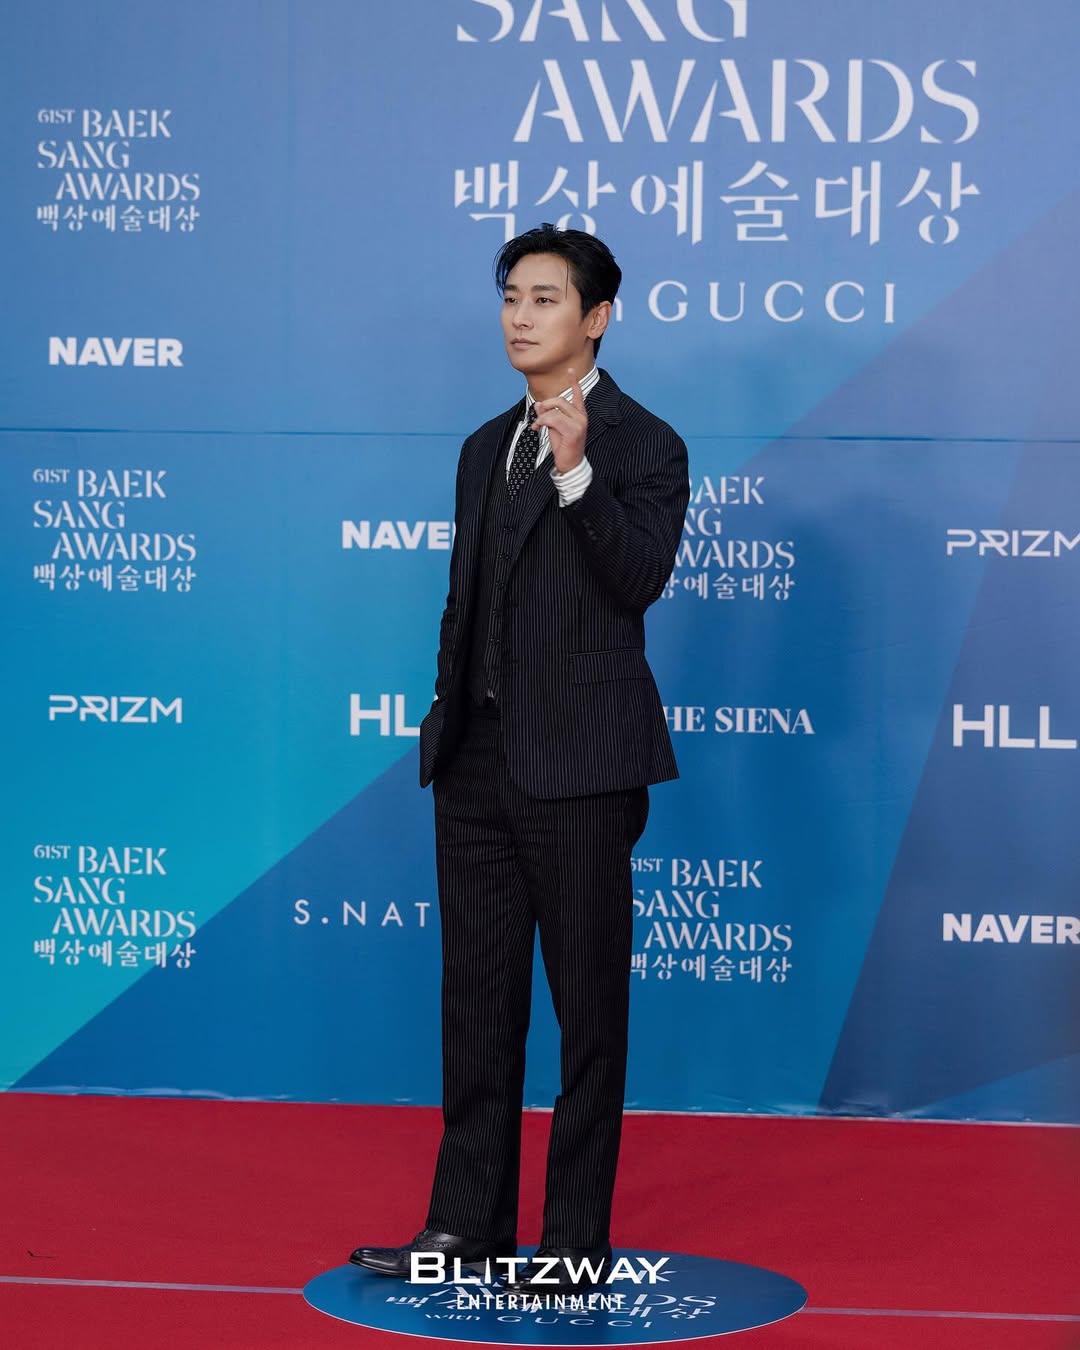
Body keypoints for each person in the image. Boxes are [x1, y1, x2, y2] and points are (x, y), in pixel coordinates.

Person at [349, 223, 689, 1293]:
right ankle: (466, 1226)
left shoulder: (644, 444)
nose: (520, 317)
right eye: (511, 297)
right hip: (476, 763)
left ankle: (574, 1245)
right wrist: (446, 722)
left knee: (588, 1015)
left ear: (597, 318)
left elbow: (637, 582)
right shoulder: (482, 445)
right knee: (478, 1005)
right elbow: (468, 601)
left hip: (582, 765)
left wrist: (579, 472)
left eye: (545, 299)